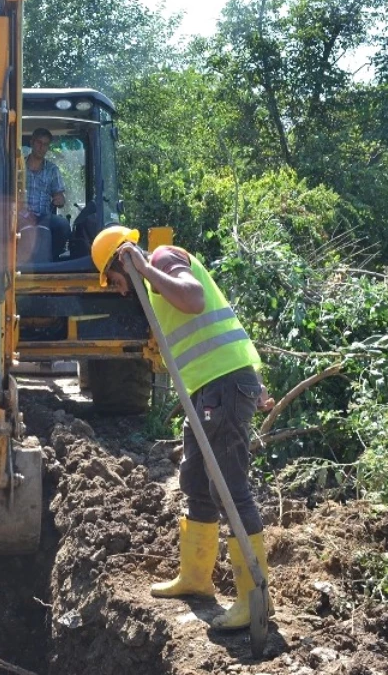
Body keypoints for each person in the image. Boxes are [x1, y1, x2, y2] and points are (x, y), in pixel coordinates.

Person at [91, 225, 274, 631]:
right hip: (209, 389)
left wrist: (143, 267)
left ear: (123, 259)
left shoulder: (162, 260)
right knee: (194, 478)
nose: (120, 289)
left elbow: (194, 298)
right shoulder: (154, 283)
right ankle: (195, 577)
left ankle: (253, 596)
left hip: (222, 386)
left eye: (116, 279)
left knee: (229, 486)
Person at [23, 127, 70, 259]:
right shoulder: (18, 167)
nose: (41, 147)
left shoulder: (52, 170)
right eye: (39, 142)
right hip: (21, 215)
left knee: (63, 225)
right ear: (32, 142)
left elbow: (60, 196)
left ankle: (52, 259)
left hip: (44, 216)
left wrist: (59, 199)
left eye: (45, 144)